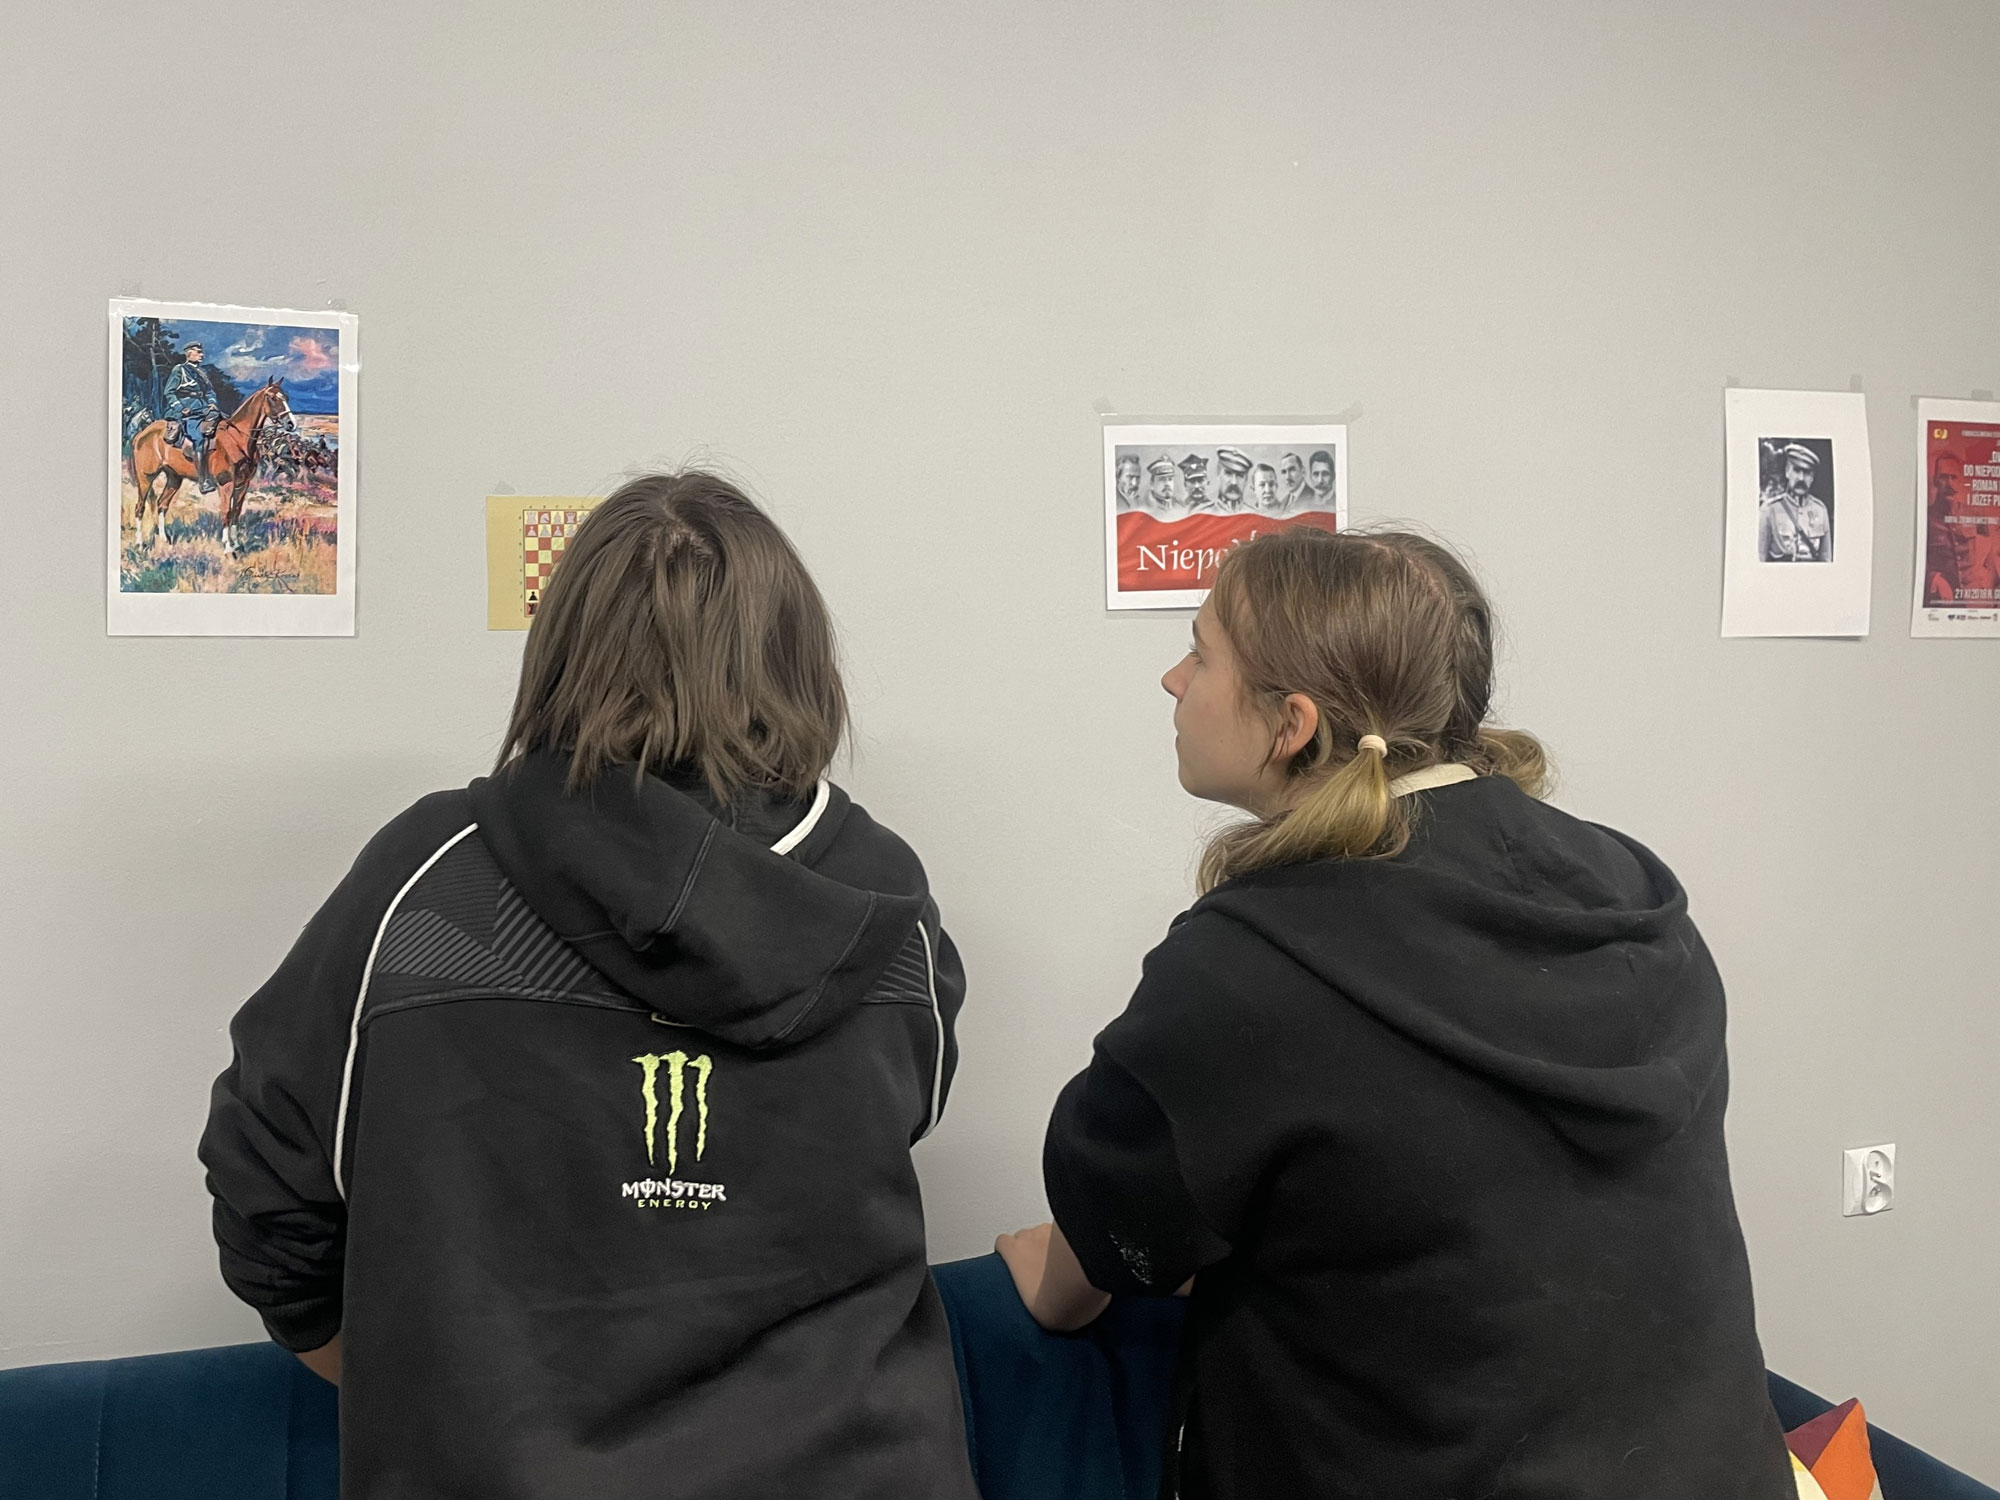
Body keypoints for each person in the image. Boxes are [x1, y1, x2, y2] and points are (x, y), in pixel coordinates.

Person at [201, 472, 978, 1500]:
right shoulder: (885, 904)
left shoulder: (425, 889)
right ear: (798, 658)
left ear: (565, 650)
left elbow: (267, 1185)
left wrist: (423, 1397)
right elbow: (904, 1121)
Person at [997, 528, 1794, 1499]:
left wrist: (1057, 1281)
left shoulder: (1250, 965)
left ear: (1291, 725)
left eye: (1199, 655)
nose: (1173, 680)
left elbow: (1116, 1229)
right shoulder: (1626, 889)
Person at [162, 340, 220, 493]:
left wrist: (212, 403)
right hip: (187, 411)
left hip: (203, 408)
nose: (202, 355)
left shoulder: (202, 373)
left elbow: (210, 391)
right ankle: (203, 480)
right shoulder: (179, 370)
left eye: (201, 352)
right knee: (198, 438)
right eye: (198, 352)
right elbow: (169, 392)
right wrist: (181, 408)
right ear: (189, 353)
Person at [1757, 441, 1831, 562]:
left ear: (1812, 477)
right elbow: (1759, 559)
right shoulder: (1769, 509)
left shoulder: (1820, 510)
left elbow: (1826, 560)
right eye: (1796, 470)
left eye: (1807, 472)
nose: (1801, 478)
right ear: (1787, 472)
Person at [1212, 447, 1252, 512]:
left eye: (1240, 475)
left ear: (1246, 480)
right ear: (1218, 474)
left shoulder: (1255, 514)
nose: (1234, 482)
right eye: (1228, 473)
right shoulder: (1204, 513)